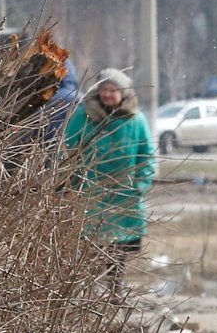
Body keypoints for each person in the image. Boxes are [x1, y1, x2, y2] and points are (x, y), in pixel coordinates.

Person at [63, 67, 156, 290]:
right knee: (91, 246)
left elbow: (147, 157)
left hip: (125, 197)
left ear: (123, 93)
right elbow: (66, 151)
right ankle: (90, 294)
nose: (107, 95)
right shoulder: (83, 117)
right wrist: (68, 183)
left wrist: (140, 184)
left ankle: (115, 289)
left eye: (113, 90)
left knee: (119, 248)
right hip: (90, 196)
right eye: (104, 89)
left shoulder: (136, 120)